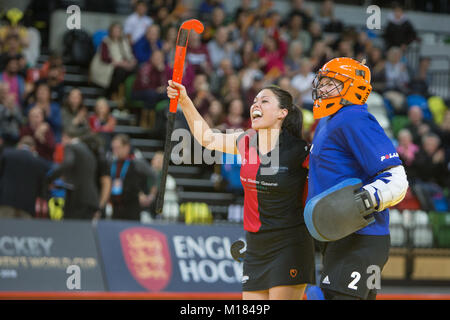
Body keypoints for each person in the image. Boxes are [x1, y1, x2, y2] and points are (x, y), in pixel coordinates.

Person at [167, 80, 315, 300]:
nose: (256, 105)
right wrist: (185, 100)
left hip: (290, 244)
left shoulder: (301, 151)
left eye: (264, 101)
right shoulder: (247, 141)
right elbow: (208, 139)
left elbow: (334, 172)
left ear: (282, 113)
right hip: (255, 247)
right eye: (254, 101)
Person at [308, 57, 409, 300]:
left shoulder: (354, 118)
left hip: (361, 238)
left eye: (331, 83)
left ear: (353, 88)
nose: (322, 88)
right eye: (322, 81)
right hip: (338, 236)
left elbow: (396, 180)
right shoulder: (328, 120)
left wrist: (358, 204)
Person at [46, 127, 100, 220]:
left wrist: (49, 179)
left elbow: (67, 163)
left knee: (71, 231)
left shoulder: (71, 146)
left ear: (66, 137)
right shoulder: (87, 151)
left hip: (77, 199)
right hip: (91, 199)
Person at [0, 136, 50, 218]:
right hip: (27, 206)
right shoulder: (38, 162)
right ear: (33, 148)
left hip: (5, 201)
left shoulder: (6, 154)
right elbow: (42, 185)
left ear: (19, 145)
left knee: (4, 229)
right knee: (24, 230)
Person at [89, 22, 137, 99]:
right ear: (110, 31)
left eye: (118, 30)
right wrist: (120, 63)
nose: (117, 32)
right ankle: (111, 93)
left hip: (123, 64)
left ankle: (128, 95)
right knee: (120, 72)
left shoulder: (124, 41)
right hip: (107, 65)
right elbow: (104, 58)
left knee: (136, 69)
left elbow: (129, 54)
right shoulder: (106, 41)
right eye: (115, 30)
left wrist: (131, 62)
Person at [109, 134, 151, 221]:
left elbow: (153, 176)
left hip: (132, 208)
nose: (115, 151)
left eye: (118, 148)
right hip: (115, 206)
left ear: (127, 147)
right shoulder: (111, 163)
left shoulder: (137, 163)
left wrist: (150, 195)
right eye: (113, 148)